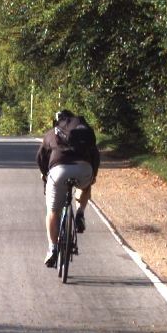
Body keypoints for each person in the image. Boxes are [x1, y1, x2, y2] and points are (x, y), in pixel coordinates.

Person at [37, 109, 100, 267]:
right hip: (84, 169)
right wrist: (93, 175)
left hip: (59, 171)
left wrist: (44, 174)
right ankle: (80, 213)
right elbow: (95, 156)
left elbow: (41, 157)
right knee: (85, 186)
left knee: (53, 212)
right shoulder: (83, 133)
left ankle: (52, 249)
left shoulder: (52, 133)